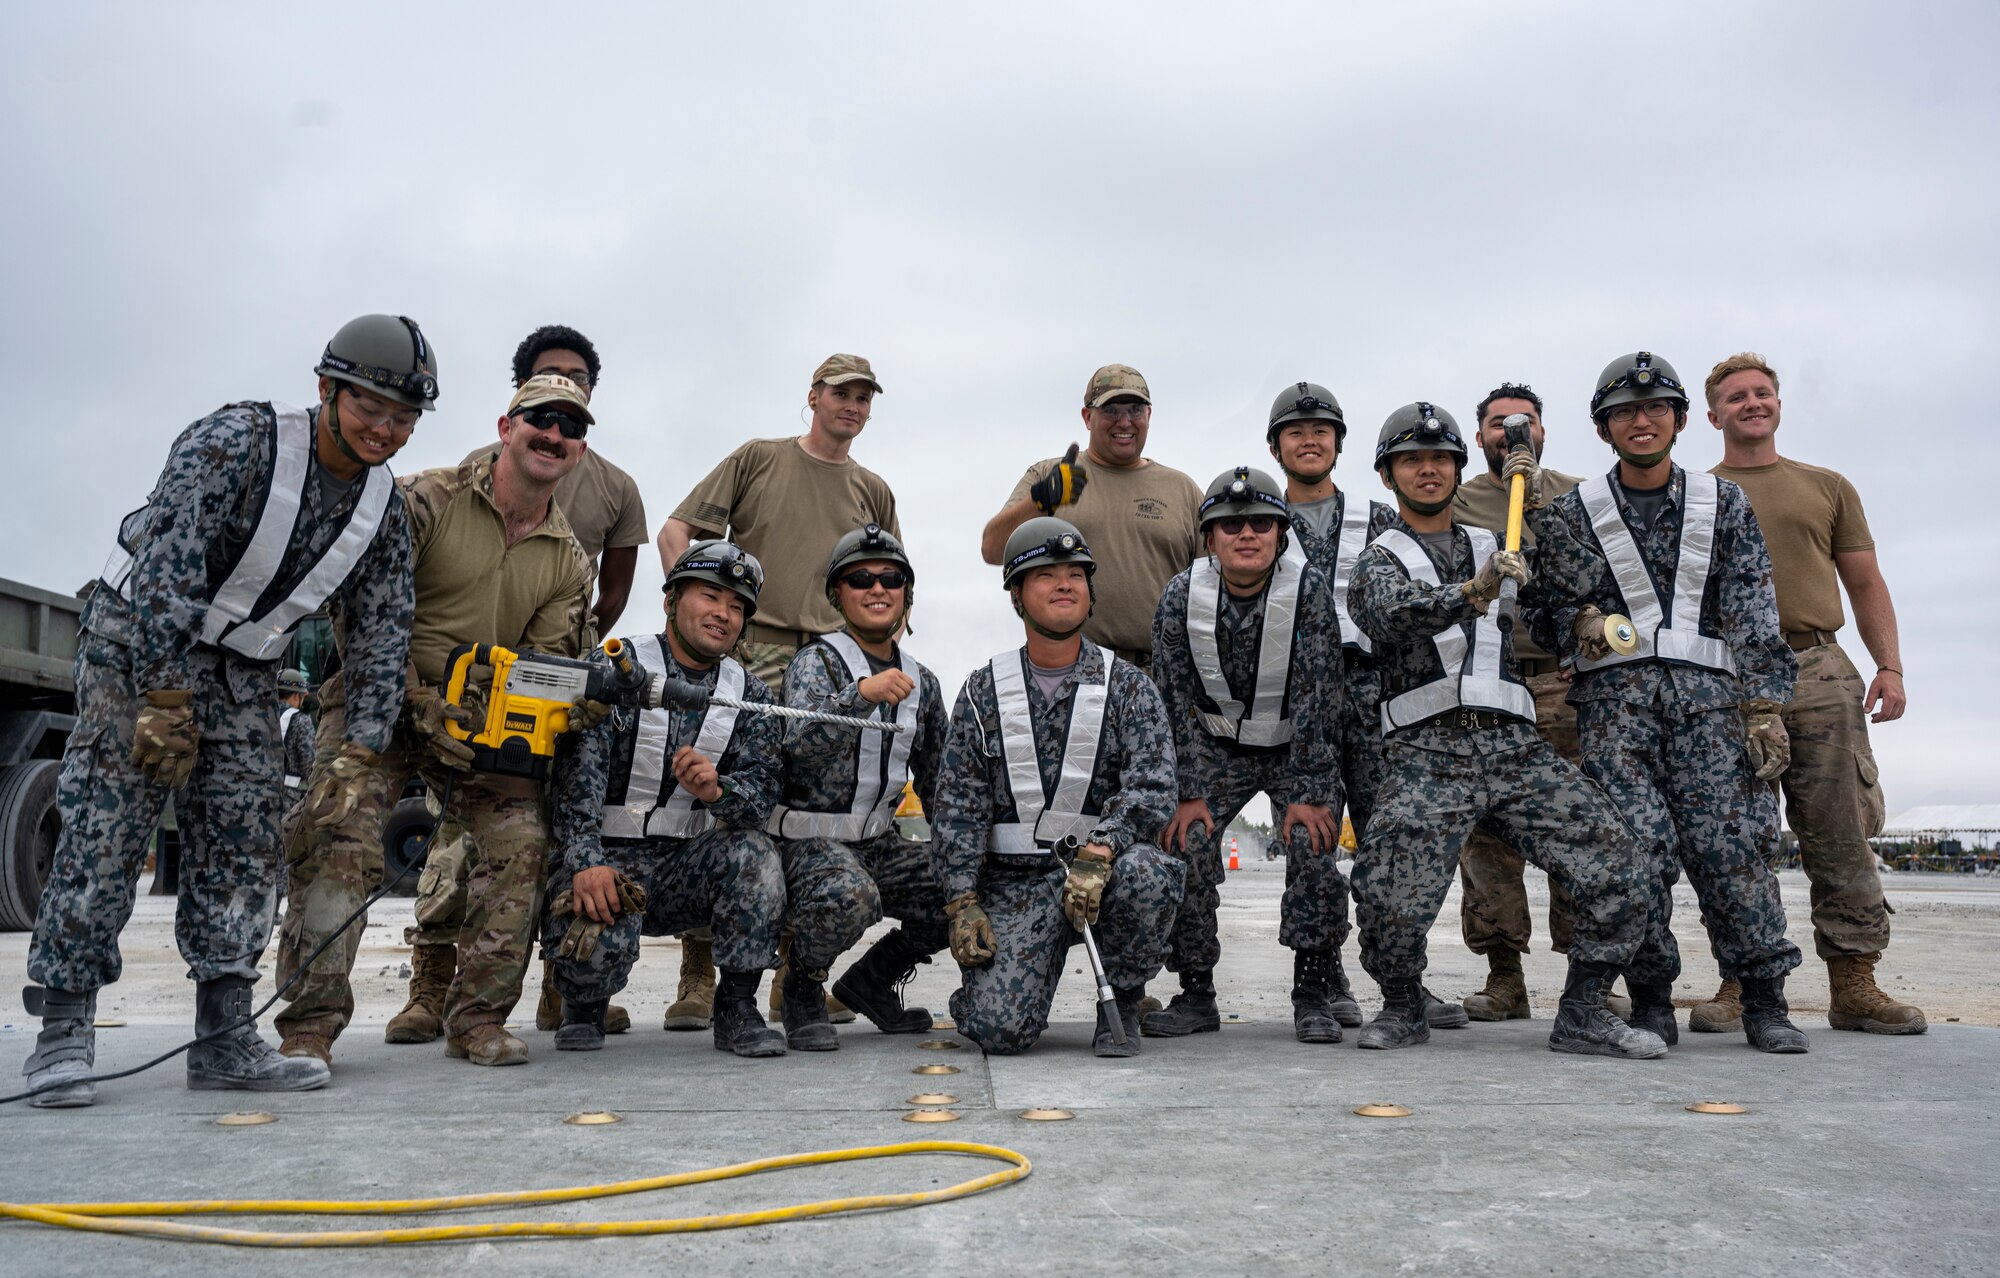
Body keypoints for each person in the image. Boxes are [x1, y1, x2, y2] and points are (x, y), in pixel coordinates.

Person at [20, 314, 428, 1108]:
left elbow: (384, 633)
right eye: (370, 406)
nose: (385, 428)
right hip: (140, 648)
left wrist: (359, 752)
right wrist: (164, 699)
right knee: (109, 825)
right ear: (327, 390)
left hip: (245, 672)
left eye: (403, 417)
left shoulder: (384, 513)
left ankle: (225, 1034)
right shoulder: (239, 442)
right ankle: (64, 1029)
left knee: (243, 843)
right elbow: (169, 567)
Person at [274, 373, 596, 1069]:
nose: (555, 434)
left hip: (478, 729)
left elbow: (543, 665)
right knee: (338, 830)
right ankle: (310, 1026)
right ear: (507, 426)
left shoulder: (568, 560)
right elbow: (358, 612)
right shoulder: (424, 500)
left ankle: (477, 1018)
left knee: (522, 841)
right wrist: (413, 696)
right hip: (377, 705)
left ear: (579, 452)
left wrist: (567, 702)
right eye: (540, 417)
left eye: (573, 426)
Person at [1346, 402, 1663, 1059]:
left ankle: (1582, 1013)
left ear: (1460, 470)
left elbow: (1571, 587)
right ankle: (1404, 1005)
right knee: (1388, 893)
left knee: (1622, 863)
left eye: (1440, 459)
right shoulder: (1378, 559)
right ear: (1387, 476)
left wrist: (1541, 499)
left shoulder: (1503, 541)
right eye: (1411, 460)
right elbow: (1389, 615)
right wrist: (1470, 592)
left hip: (1516, 747)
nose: (1427, 470)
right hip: (1426, 751)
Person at [1543, 352, 1808, 1053]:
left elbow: (1753, 606)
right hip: (1616, 713)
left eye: (1655, 407)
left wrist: (1764, 706)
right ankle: (1651, 997)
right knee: (1637, 855)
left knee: (1735, 853)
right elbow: (1546, 610)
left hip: (1713, 712)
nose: (1641, 420)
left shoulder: (1725, 505)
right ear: (1604, 430)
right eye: (1624, 412)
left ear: (1682, 420)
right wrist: (1577, 622)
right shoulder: (1572, 514)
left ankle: (1764, 999)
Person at [653, 354, 896, 1030]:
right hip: (749, 650)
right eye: (840, 394)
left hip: (830, 663)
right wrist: (697, 618)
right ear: (813, 396)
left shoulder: (872, 489)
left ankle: (797, 977)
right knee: (722, 801)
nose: (851, 406)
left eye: (863, 398)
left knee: (808, 812)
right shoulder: (758, 458)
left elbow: (888, 579)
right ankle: (700, 976)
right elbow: (676, 531)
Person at [1708, 351, 1922, 1034]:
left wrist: (1888, 665)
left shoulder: (1826, 487)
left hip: (1818, 670)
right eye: (1736, 397)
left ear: (1777, 404)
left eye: (1762, 393)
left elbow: (1864, 581)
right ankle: (1743, 981)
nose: (1752, 403)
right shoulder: (1696, 494)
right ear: (1713, 415)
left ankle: (1855, 984)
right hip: (1729, 680)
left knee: (1841, 831)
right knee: (1734, 837)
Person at [931, 517, 1185, 1057]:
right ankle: (985, 997)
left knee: (1150, 875)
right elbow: (957, 809)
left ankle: (1121, 998)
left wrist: (1104, 848)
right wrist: (962, 902)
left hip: (1105, 875)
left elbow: (1154, 788)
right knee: (998, 1034)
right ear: (1017, 595)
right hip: (1014, 887)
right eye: (1046, 574)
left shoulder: (1130, 688)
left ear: (1091, 593)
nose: (1065, 583)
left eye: (1076, 573)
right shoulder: (982, 691)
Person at [456, 325, 645, 1037]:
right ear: (513, 409)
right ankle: (431, 984)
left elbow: (612, 592)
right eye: (547, 384)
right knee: (453, 852)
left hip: (548, 680)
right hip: (460, 685)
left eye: (578, 383)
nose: (562, 405)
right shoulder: (466, 475)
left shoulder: (614, 490)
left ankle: (554, 989)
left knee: (536, 837)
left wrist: (576, 663)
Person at [542, 540, 788, 1058]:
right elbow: (573, 783)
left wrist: (718, 791)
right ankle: (584, 1005)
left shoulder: (752, 696)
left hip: (685, 869)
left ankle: (737, 1007)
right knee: (591, 950)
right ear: (671, 600)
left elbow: (761, 794)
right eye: (711, 596)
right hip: (608, 862)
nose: (724, 614)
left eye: (738, 606)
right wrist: (586, 863)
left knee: (755, 854)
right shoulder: (615, 667)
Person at [1144, 467, 1351, 1043]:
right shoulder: (1180, 597)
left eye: (1262, 522)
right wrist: (1185, 792)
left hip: (1293, 747)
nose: (1247, 533)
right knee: (1183, 842)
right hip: (1215, 749)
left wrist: (1309, 795)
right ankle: (1196, 993)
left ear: (1281, 535)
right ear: (1209, 536)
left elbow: (1321, 695)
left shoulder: (1307, 591)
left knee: (1314, 844)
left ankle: (1314, 992)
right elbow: (1170, 699)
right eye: (1230, 524)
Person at [768, 525, 952, 1049]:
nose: (877, 588)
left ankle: (873, 979)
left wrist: (960, 860)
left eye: (890, 578)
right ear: (837, 595)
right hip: (806, 845)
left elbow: (941, 782)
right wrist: (860, 697)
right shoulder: (816, 663)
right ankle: (801, 986)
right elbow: (798, 743)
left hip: (879, 843)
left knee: (960, 884)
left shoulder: (923, 682)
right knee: (850, 895)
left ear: (905, 594)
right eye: (860, 579)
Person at [1447, 383, 1591, 1021]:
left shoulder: (1582, 495)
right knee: (1487, 832)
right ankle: (1504, 974)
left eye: (1525, 423)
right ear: (1479, 437)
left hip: (1565, 681)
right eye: (1499, 425)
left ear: (1544, 431)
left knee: (1575, 822)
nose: (1514, 435)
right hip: (1489, 679)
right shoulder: (1455, 501)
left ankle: (1588, 969)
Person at [1263, 381, 1395, 1027]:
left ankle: (1402, 981)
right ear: (1275, 445)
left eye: (1321, 429)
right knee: (1310, 847)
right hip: (1294, 701)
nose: (1309, 439)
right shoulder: (1251, 523)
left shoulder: (1382, 520)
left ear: (1339, 443)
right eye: (1296, 430)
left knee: (1391, 843)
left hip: (1374, 696)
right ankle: (1315, 984)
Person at [980, 364, 1201, 672]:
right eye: (1110, 409)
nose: (1124, 421)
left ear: (1149, 415)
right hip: (1074, 671)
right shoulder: (1051, 476)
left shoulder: (1183, 490)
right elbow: (992, 549)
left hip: (1165, 673)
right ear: (1087, 417)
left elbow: (1214, 581)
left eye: (1135, 409)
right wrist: (1041, 500)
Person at [277, 668, 315, 802]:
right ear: (295, 696)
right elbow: (308, 766)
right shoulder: (301, 720)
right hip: (289, 798)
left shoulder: (261, 713)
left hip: (260, 791)